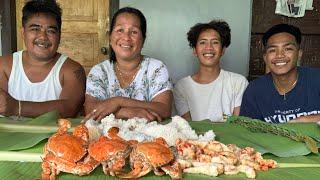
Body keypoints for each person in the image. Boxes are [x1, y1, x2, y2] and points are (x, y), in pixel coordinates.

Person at [84, 7, 172, 122]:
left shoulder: (156, 68)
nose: (126, 37)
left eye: (134, 32)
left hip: (151, 138)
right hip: (106, 139)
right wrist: (128, 112)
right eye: (120, 30)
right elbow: (90, 109)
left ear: (143, 39)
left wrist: (118, 101)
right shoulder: (99, 71)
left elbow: (164, 109)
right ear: (110, 37)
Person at [0, 0, 86, 118]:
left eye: (51, 31)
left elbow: (69, 108)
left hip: (56, 137)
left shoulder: (72, 70)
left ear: (59, 35)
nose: (43, 37)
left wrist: (17, 107)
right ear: (23, 32)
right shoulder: (4, 65)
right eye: (35, 29)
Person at [240, 23, 320, 123]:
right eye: (272, 50)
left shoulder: (317, 80)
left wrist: (305, 120)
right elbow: (246, 131)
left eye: (287, 49)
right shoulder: (255, 90)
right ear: (265, 58)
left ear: (299, 54)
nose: (279, 55)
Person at [173, 20, 248, 122]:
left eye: (215, 42)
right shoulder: (181, 87)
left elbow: (237, 125)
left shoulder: (238, 82)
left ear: (223, 50)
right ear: (195, 50)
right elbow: (189, 127)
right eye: (203, 42)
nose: (209, 48)